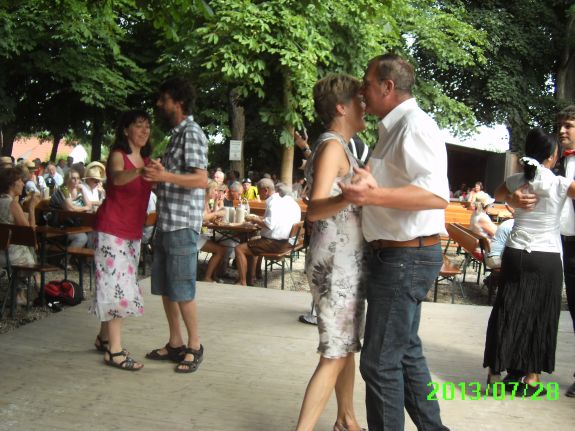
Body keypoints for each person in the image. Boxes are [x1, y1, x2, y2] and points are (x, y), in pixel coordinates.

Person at [339, 54, 450, 430]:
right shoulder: (394, 128)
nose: (361, 90)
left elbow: (436, 195)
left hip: (405, 257)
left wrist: (372, 195)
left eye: (367, 83)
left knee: (379, 363)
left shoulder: (414, 126)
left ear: (388, 87)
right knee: (404, 354)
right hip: (399, 256)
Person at [295, 74, 367, 431]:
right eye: (358, 99)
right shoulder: (333, 147)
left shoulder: (339, 145)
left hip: (343, 262)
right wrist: (349, 197)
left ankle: (346, 419)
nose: (364, 105)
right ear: (341, 107)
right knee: (334, 353)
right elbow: (315, 207)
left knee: (344, 346)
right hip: (336, 265)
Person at [483, 128, 575, 395]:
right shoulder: (560, 183)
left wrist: (512, 200)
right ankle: (531, 379)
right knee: (540, 314)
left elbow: (497, 194)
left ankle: (495, 374)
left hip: (515, 252)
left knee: (507, 309)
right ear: (552, 156)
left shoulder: (515, 180)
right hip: (547, 255)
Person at [143, 77, 208, 373]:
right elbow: (176, 180)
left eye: (164, 99)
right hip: (167, 224)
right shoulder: (176, 136)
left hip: (182, 225)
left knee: (182, 288)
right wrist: (159, 177)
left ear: (178, 102)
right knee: (168, 288)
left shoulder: (191, 133)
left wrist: (164, 176)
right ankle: (175, 343)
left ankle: (195, 345)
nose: (159, 104)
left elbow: (201, 179)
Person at [91, 110, 153, 371]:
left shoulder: (146, 160)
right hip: (111, 230)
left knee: (118, 283)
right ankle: (114, 352)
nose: (144, 130)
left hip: (132, 232)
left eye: (147, 126)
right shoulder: (119, 155)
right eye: (139, 125)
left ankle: (104, 338)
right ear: (126, 130)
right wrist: (140, 170)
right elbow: (117, 178)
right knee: (118, 288)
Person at [235, 178, 300, 286]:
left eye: (259, 191)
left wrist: (253, 219)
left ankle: (243, 282)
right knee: (254, 241)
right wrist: (259, 219)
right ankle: (253, 276)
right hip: (289, 243)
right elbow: (276, 220)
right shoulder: (287, 202)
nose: (258, 194)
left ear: (265, 190)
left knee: (239, 249)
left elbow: (269, 225)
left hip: (276, 244)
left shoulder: (273, 202)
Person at [0, 167, 41, 305]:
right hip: (9, 255)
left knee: (28, 249)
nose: (23, 184)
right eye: (20, 181)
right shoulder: (12, 204)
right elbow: (29, 233)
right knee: (31, 249)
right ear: (12, 184)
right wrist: (32, 208)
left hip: (2, 251)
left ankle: (22, 293)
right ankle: (27, 292)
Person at [557, 106, 575, 398]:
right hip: (566, 242)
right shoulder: (559, 162)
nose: (562, 130)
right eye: (561, 126)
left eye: (568, 126)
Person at [49, 168, 91, 250]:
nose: (76, 181)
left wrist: (83, 190)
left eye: (78, 178)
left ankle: (84, 257)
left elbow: (89, 205)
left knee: (94, 233)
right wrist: (84, 207)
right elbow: (70, 208)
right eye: (73, 178)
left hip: (73, 224)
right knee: (82, 237)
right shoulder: (64, 189)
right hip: (58, 226)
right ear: (67, 180)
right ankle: (66, 257)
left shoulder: (78, 190)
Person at [198, 180, 227, 282]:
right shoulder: (201, 201)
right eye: (215, 190)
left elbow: (207, 219)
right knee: (221, 249)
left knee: (222, 244)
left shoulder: (206, 201)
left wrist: (214, 219)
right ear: (208, 190)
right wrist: (216, 214)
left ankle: (215, 275)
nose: (216, 192)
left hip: (201, 233)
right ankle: (207, 277)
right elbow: (203, 218)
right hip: (196, 236)